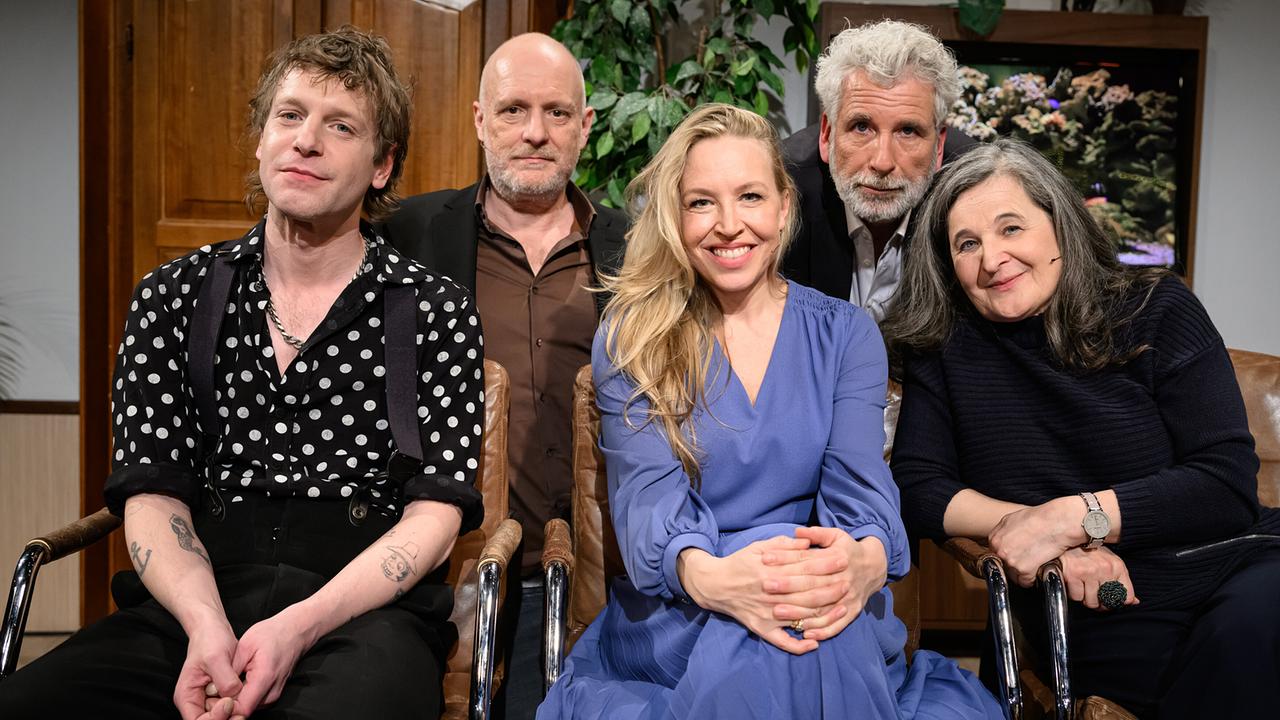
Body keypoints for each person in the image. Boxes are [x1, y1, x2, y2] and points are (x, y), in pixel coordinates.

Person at [0, 27, 485, 720]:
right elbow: (152, 494)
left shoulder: (436, 312)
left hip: (358, 611)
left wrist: (300, 626)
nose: (306, 141)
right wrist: (205, 627)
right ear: (261, 140)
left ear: (382, 166)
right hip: (195, 595)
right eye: (289, 116)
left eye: (340, 126)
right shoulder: (173, 295)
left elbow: (436, 514)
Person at [538, 103, 1001, 719]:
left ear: (785, 208)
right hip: (684, 611)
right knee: (784, 647)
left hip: (825, 597)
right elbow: (648, 500)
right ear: (676, 217)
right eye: (702, 202)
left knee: (802, 634)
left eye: (751, 197)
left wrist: (860, 561)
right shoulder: (634, 334)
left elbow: (861, 491)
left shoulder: (846, 335)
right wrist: (718, 580)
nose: (729, 225)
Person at [886, 138, 1280, 718]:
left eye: (1011, 228)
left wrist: (1067, 519)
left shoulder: (1157, 307)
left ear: (1059, 224)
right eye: (966, 243)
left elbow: (1224, 483)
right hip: (1091, 595)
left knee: (1254, 633)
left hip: (1237, 559)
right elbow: (920, 489)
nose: (992, 258)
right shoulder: (945, 349)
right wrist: (1046, 542)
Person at [377, 32, 626, 716]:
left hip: (594, 582)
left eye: (557, 113)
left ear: (585, 127)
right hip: (450, 570)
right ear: (480, 121)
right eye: (513, 110)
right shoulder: (407, 234)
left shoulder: (638, 248)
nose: (535, 133)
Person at [782, 20, 975, 323]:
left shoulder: (973, 194)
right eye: (861, 127)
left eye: (908, 131)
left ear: (938, 147)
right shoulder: (783, 189)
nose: (883, 162)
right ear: (826, 134)